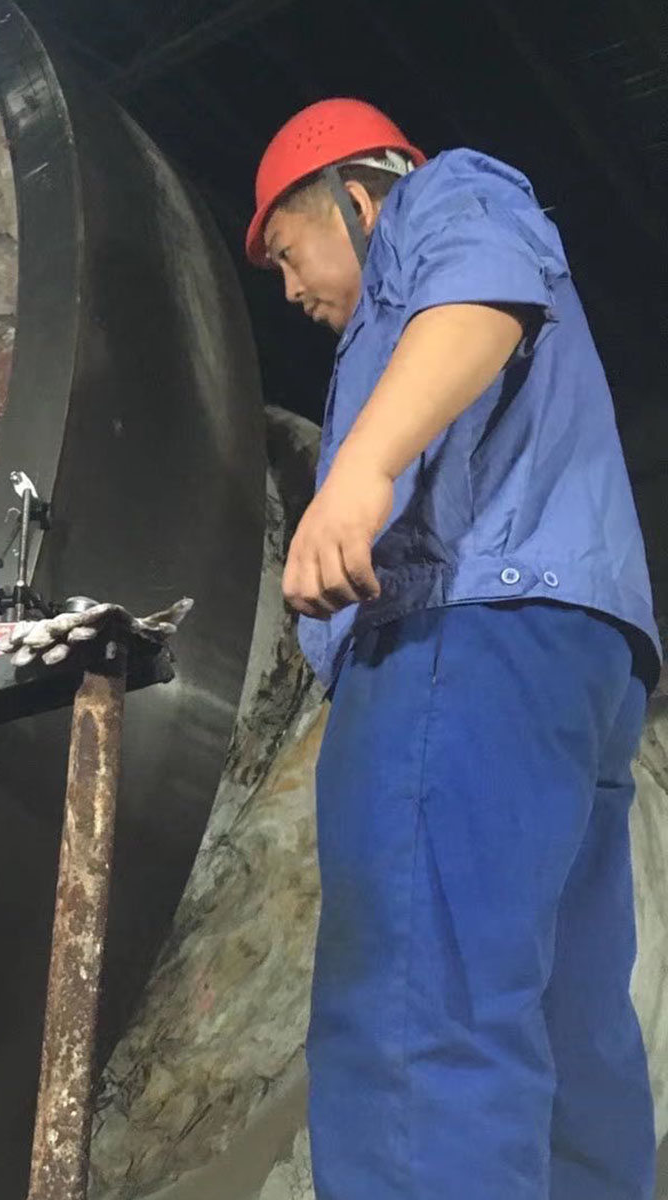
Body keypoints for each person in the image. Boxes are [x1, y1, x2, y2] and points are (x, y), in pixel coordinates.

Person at [243, 97, 662, 1199]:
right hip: (576, 658)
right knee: (564, 1022)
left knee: (415, 1009)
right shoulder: (411, 299)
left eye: (288, 251)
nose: (289, 291)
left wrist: (359, 471)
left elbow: (483, 290)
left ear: (355, 196)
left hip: (462, 633)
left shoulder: (445, 195)